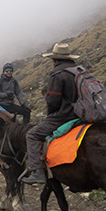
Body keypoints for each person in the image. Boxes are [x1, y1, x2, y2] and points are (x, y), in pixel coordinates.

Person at [21, 43, 80, 184]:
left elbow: (52, 101)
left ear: (55, 60)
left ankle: (38, 171)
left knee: (32, 135)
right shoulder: (79, 70)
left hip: (64, 116)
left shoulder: (58, 74)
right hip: (82, 114)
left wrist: (51, 115)